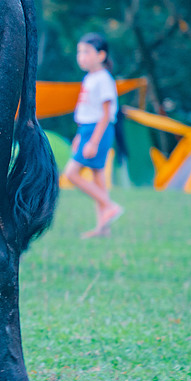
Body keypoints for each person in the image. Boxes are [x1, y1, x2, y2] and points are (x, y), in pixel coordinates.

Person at [63, 33, 124, 238]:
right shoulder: (90, 78)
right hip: (87, 130)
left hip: (99, 130)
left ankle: (109, 205)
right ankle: (103, 228)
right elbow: (86, 111)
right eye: (80, 52)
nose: (82, 56)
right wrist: (80, 137)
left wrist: (94, 141)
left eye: (87, 52)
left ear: (101, 55)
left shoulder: (104, 79)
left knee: (71, 174)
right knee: (98, 179)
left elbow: (105, 114)